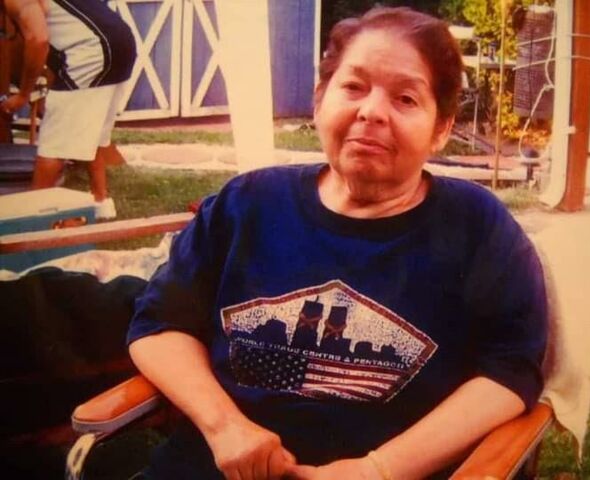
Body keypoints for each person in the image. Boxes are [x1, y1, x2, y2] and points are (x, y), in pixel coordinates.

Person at [127, 7, 547, 480]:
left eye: (406, 98)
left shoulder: (477, 227)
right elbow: (159, 324)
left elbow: (510, 370)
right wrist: (225, 427)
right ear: (319, 101)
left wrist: (378, 470)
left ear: (441, 129)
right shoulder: (246, 203)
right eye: (353, 87)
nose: (372, 111)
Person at [0, 0, 136, 218]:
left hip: (91, 52)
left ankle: (32, 218)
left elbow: (38, 40)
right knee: (91, 131)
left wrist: (24, 94)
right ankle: (100, 203)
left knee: (53, 145)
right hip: (121, 43)